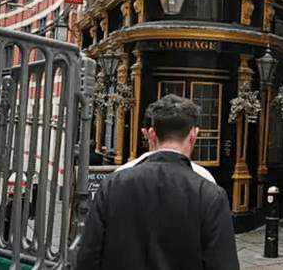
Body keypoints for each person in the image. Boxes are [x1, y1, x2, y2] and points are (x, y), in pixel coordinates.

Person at [76, 94, 239, 270]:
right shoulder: (210, 194)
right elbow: (223, 264)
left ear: (152, 134)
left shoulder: (113, 184)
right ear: (193, 135)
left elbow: (88, 257)